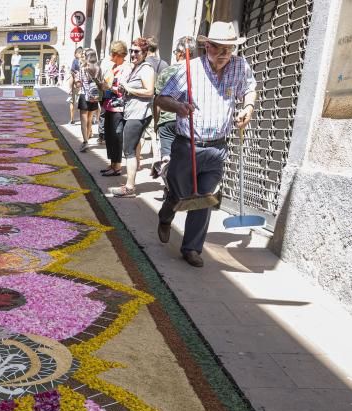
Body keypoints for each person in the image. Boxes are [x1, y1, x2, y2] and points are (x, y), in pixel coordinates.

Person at [155, 21, 256, 267]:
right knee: (181, 194)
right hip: (187, 144)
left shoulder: (240, 67)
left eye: (229, 49)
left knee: (204, 197)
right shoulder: (189, 69)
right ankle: (167, 213)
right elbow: (161, 99)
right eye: (218, 48)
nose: (223, 55)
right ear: (207, 46)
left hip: (217, 146)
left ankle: (191, 248)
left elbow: (251, 89)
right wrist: (177, 106)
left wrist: (248, 108)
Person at [107, 38, 155, 197]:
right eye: (132, 51)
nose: (133, 54)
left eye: (137, 51)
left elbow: (149, 92)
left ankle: (129, 188)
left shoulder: (146, 69)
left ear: (145, 53)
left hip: (138, 113)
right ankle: (129, 185)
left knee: (128, 151)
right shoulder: (136, 67)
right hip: (131, 112)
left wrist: (128, 88)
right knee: (130, 149)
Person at [152, 36, 195, 182]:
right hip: (189, 123)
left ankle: (169, 188)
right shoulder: (199, 72)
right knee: (185, 159)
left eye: (176, 51)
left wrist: (156, 123)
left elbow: (157, 100)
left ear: (181, 53)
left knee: (167, 158)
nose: (175, 54)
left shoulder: (167, 72)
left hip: (167, 121)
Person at [100, 41, 131, 178]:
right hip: (109, 105)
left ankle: (117, 166)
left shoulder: (127, 68)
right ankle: (112, 163)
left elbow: (124, 89)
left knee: (116, 137)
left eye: (112, 53)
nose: (110, 56)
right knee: (109, 136)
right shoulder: (114, 66)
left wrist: (109, 88)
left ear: (118, 54)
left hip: (118, 107)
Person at [77, 50, 103, 152]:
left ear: (87, 57)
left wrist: (76, 80)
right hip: (94, 97)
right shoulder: (98, 68)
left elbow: (79, 84)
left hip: (84, 95)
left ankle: (85, 141)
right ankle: (87, 139)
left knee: (84, 121)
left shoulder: (83, 68)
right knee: (89, 120)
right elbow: (100, 83)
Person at [67, 47, 84, 124]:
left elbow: (72, 72)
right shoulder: (85, 61)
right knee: (82, 102)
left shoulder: (75, 61)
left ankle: (72, 119)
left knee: (72, 102)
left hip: (76, 84)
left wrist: (70, 88)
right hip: (83, 84)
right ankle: (83, 119)